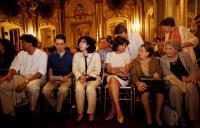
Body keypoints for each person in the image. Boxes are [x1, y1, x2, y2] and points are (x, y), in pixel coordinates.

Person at [0, 34, 47, 117]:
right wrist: (9, 74)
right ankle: (10, 112)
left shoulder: (42, 55)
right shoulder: (21, 54)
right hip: (21, 76)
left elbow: (40, 73)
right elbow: (14, 66)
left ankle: (32, 111)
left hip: (36, 78)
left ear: (30, 44)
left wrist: (26, 82)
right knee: (3, 85)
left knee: (32, 87)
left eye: (23, 43)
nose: (21, 44)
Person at [160, 40, 200, 127]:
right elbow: (167, 74)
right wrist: (182, 83)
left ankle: (193, 118)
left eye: (170, 49)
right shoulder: (163, 59)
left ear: (176, 49)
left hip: (187, 80)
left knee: (191, 88)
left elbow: (193, 68)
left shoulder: (184, 55)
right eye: (166, 48)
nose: (167, 51)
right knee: (175, 90)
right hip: (172, 82)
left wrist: (191, 77)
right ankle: (180, 117)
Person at [130, 42, 164, 127]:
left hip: (154, 82)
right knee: (145, 94)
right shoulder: (134, 61)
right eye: (139, 50)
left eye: (141, 51)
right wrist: (137, 83)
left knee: (160, 94)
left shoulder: (154, 60)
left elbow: (160, 71)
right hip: (142, 82)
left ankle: (157, 115)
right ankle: (148, 115)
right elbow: (133, 75)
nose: (139, 53)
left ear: (148, 53)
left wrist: (157, 74)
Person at [72, 36, 101, 125]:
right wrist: (81, 77)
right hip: (81, 78)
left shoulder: (96, 55)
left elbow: (97, 70)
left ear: (88, 45)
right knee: (79, 89)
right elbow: (74, 69)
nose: (80, 44)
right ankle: (80, 113)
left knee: (90, 89)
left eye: (83, 42)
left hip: (93, 78)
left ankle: (91, 113)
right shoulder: (76, 55)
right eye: (80, 42)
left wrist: (87, 77)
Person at [42, 34, 73, 115]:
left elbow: (73, 71)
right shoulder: (51, 56)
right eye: (57, 44)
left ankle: (58, 111)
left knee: (62, 90)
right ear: (55, 44)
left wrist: (67, 76)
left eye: (61, 44)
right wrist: (58, 78)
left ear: (65, 44)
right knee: (45, 91)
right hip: (55, 78)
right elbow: (50, 75)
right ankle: (56, 106)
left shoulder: (71, 55)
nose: (59, 46)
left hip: (67, 78)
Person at [105, 36, 130, 124]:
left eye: (125, 45)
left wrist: (115, 69)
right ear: (116, 45)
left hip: (123, 79)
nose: (124, 47)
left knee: (112, 81)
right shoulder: (110, 55)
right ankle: (119, 111)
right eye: (122, 45)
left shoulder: (126, 55)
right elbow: (109, 70)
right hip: (112, 77)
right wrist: (120, 69)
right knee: (112, 79)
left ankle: (113, 110)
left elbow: (126, 72)